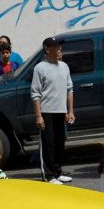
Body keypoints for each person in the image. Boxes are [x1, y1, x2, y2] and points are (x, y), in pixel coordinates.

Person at [31, 36, 76, 184]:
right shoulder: (40, 68)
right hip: (46, 111)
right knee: (48, 144)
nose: (59, 50)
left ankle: (57, 172)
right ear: (47, 49)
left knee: (59, 142)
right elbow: (35, 93)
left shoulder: (64, 66)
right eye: (56, 47)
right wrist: (38, 116)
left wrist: (70, 111)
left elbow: (70, 89)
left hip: (61, 111)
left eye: (60, 47)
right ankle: (49, 175)